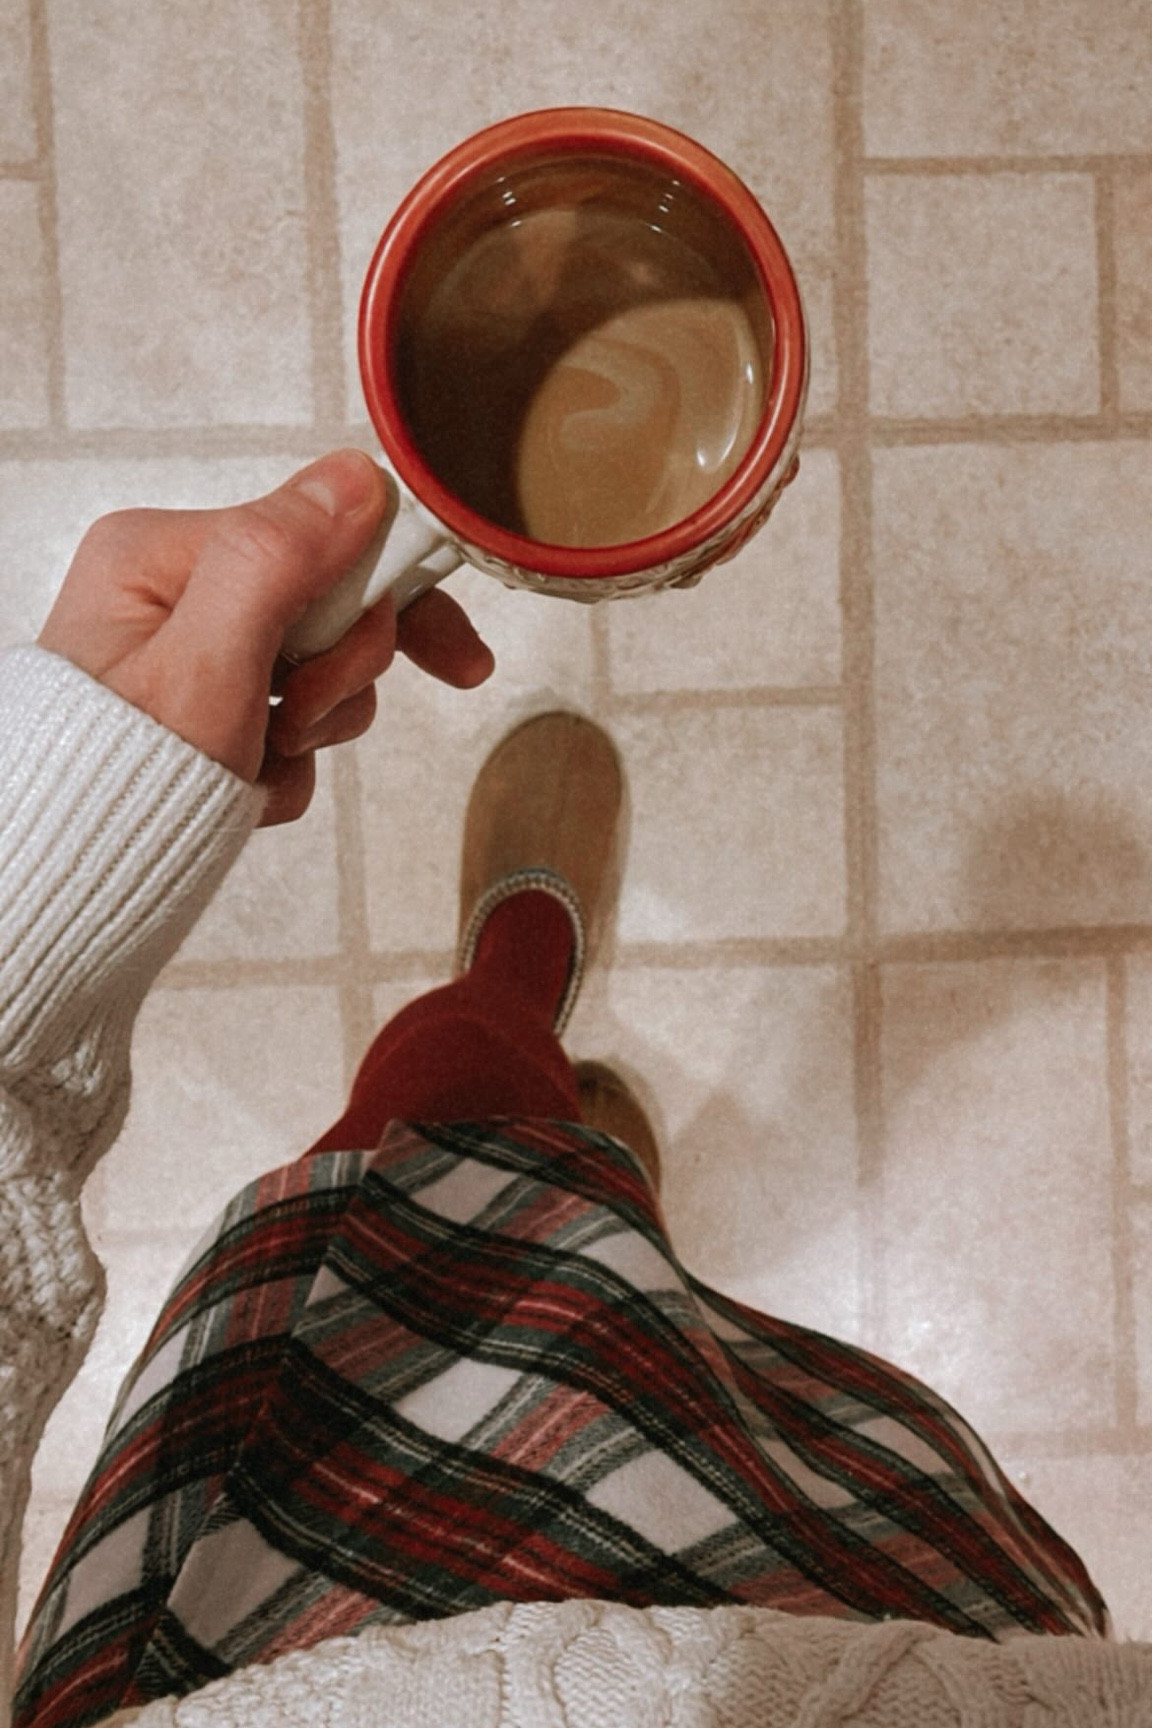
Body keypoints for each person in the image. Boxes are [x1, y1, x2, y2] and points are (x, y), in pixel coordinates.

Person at [2, 448, 1148, 1728]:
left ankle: (522, 993)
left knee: (434, 1142)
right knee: (513, 1192)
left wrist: (45, 884)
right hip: (869, 1619)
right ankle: (569, 1131)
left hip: (272, 1581)